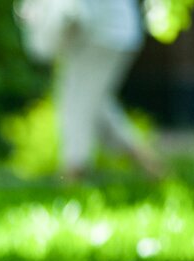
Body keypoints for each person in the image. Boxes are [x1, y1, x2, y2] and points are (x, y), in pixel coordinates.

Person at [50, 0, 162, 181]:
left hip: (103, 33)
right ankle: (152, 166)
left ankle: (74, 174)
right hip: (107, 31)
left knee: (77, 103)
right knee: (96, 106)